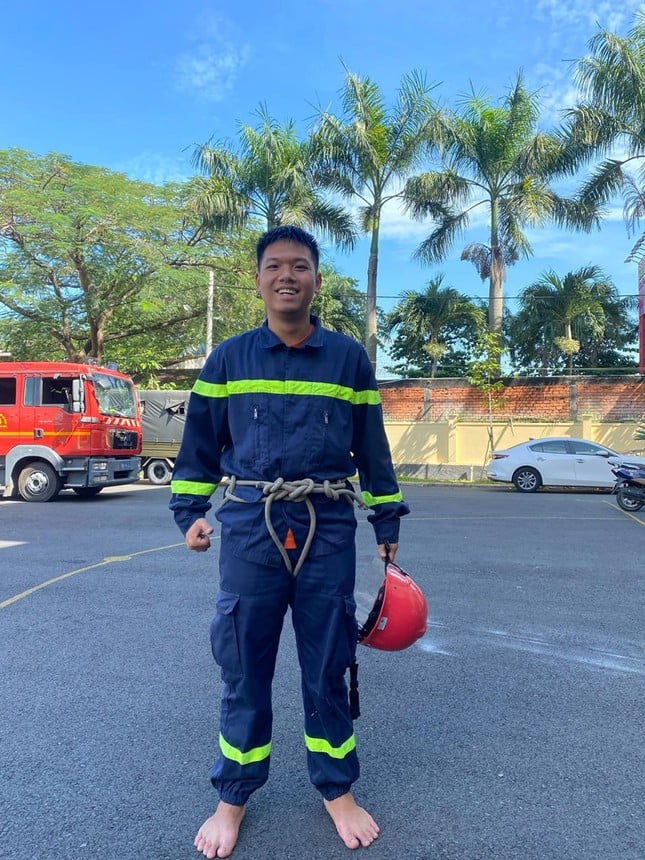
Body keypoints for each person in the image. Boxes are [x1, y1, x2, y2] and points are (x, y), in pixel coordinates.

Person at [169, 225, 409, 859]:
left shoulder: (348, 359)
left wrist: (386, 523)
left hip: (327, 525)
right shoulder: (228, 360)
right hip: (250, 523)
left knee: (328, 660)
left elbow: (374, 452)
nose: (286, 276)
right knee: (243, 662)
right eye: (274, 266)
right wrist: (189, 510)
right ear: (258, 279)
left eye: (299, 266)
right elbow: (198, 444)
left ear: (316, 280)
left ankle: (336, 790)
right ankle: (233, 797)